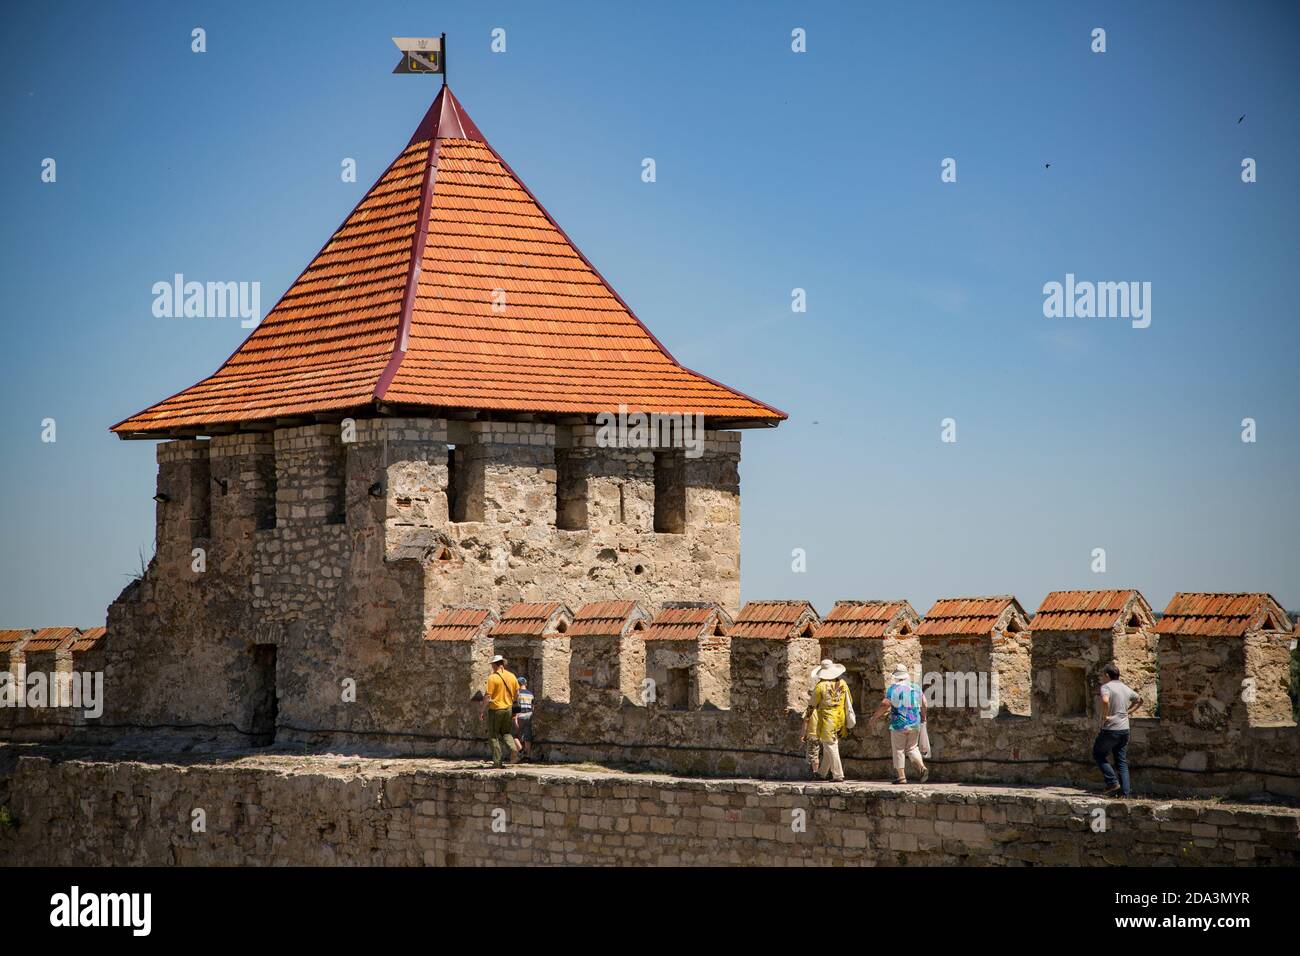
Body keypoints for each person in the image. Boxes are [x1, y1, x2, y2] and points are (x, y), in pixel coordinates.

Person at [870, 665, 929, 784]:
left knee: (899, 749)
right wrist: (923, 716)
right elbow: (924, 703)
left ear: (896, 677)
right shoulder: (915, 687)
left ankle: (901, 777)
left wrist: (874, 717)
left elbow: (885, 704)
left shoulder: (893, 689)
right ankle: (922, 767)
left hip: (899, 724)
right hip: (914, 722)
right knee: (912, 748)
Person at [1094, 662, 1141, 797]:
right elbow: (1139, 700)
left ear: (1107, 675)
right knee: (1121, 760)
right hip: (1124, 729)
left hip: (1111, 728)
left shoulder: (1106, 687)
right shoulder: (1125, 688)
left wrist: (1104, 716)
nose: (1102, 678)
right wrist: (1129, 712)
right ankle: (1125, 794)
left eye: (1103, 675)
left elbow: (1104, 700)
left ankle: (1112, 782)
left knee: (1098, 754)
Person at [804, 659, 853, 782]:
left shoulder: (820, 686)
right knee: (827, 746)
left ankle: (838, 774)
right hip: (840, 717)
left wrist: (806, 718)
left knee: (831, 746)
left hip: (827, 719)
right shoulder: (843, 683)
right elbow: (849, 701)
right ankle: (822, 773)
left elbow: (811, 705)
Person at [480, 655, 520, 768]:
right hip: (508, 709)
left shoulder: (492, 678)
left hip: (496, 709)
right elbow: (517, 694)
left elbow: (488, 696)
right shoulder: (512, 676)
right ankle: (514, 749)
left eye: (492, 665)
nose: (492, 667)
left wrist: (482, 710)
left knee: (493, 736)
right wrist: (513, 704)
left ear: (495, 664)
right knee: (506, 732)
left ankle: (497, 763)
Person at [513, 676, 535, 760]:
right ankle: (528, 756)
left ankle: (521, 751)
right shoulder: (531, 694)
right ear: (525, 684)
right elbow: (533, 707)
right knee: (527, 736)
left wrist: (515, 718)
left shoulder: (517, 693)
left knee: (513, 735)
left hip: (520, 716)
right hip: (529, 715)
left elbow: (516, 706)